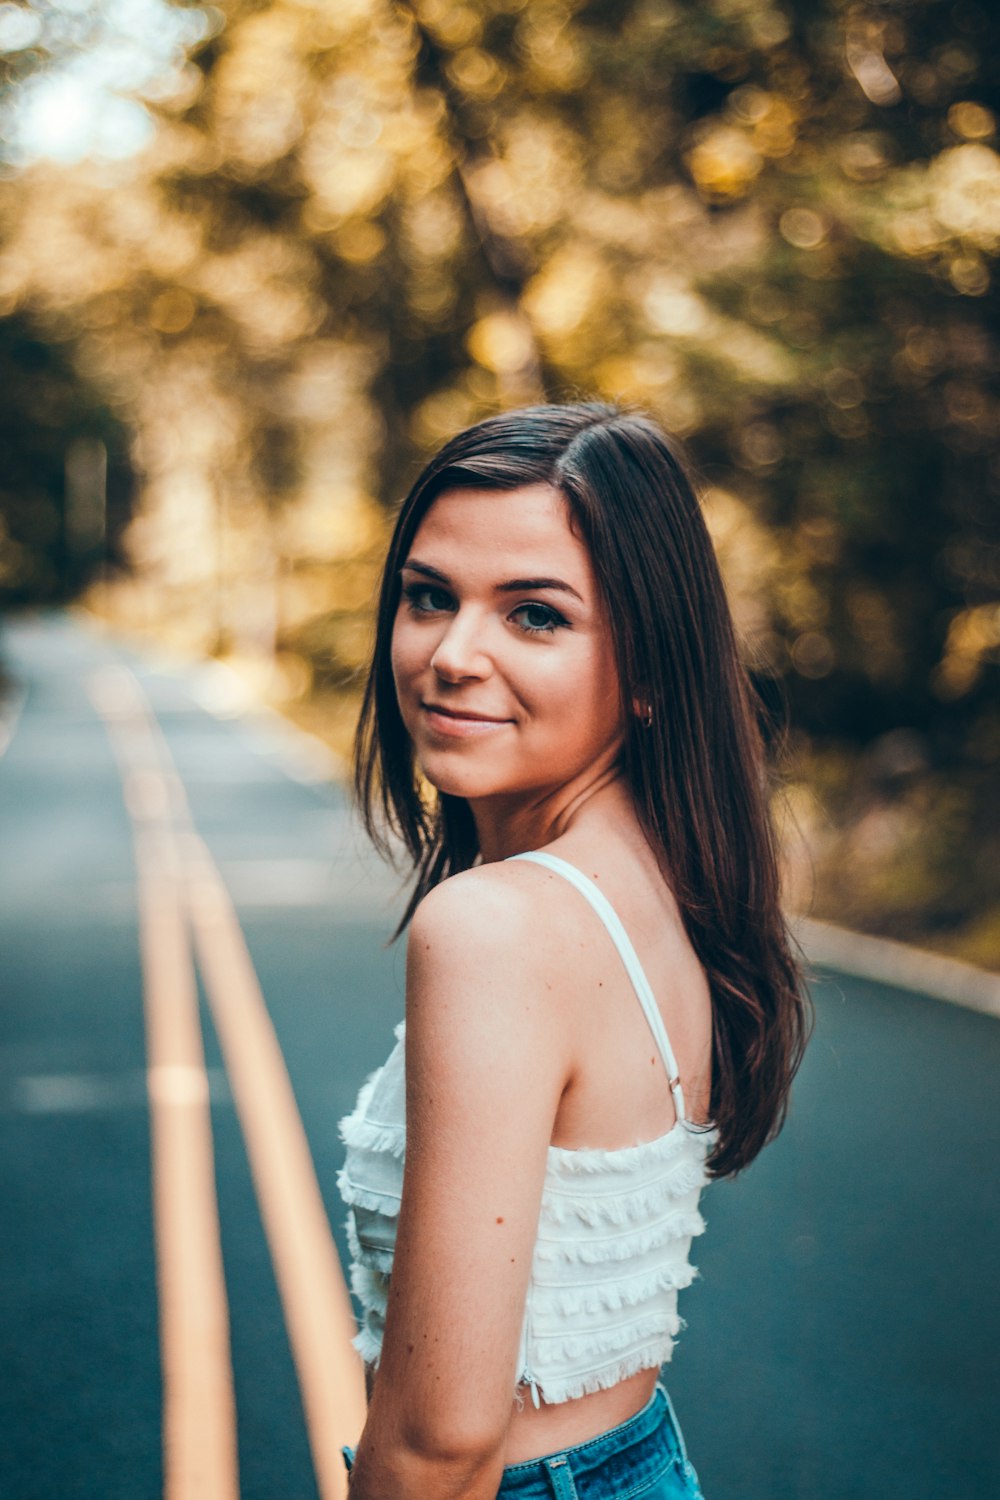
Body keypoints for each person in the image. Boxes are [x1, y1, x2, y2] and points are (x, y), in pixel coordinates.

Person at [337, 403, 810, 1499]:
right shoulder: (660, 880)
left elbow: (443, 1440)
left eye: (534, 616)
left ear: (650, 669)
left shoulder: (496, 925)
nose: (453, 656)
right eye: (427, 597)